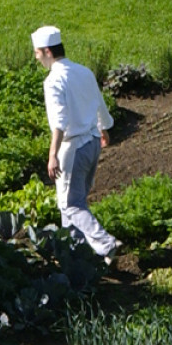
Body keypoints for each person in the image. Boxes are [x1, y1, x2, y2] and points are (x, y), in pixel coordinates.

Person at [32, 25, 120, 262]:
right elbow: (98, 102)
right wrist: (104, 128)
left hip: (73, 147)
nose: (36, 57)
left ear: (48, 51)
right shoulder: (83, 71)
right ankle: (76, 255)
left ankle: (105, 243)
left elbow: (59, 122)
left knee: (71, 204)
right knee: (69, 205)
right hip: (92, 142)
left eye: (37, 52)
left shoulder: (53, 81)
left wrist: (52, 155)